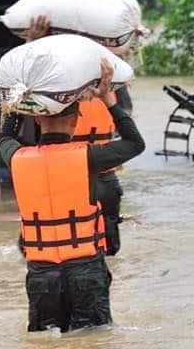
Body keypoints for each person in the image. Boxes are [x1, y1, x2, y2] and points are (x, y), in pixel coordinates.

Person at [0, 60, 145, 332]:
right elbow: (136, 143)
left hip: (41, 276)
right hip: (86, 272)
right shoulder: (88, 157)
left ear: (38, 119)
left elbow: (5, 137)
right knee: (93, 343)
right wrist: (107, 99)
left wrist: (20, 104)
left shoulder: (17, 158)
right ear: (77, 120)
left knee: (46, 346)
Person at [24, 14, 130, 256]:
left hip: (92, 174)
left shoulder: (109, 75)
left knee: (91, 244)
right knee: (80, 243)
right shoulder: (56, 81)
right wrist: (32, 45)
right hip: (79, 172)